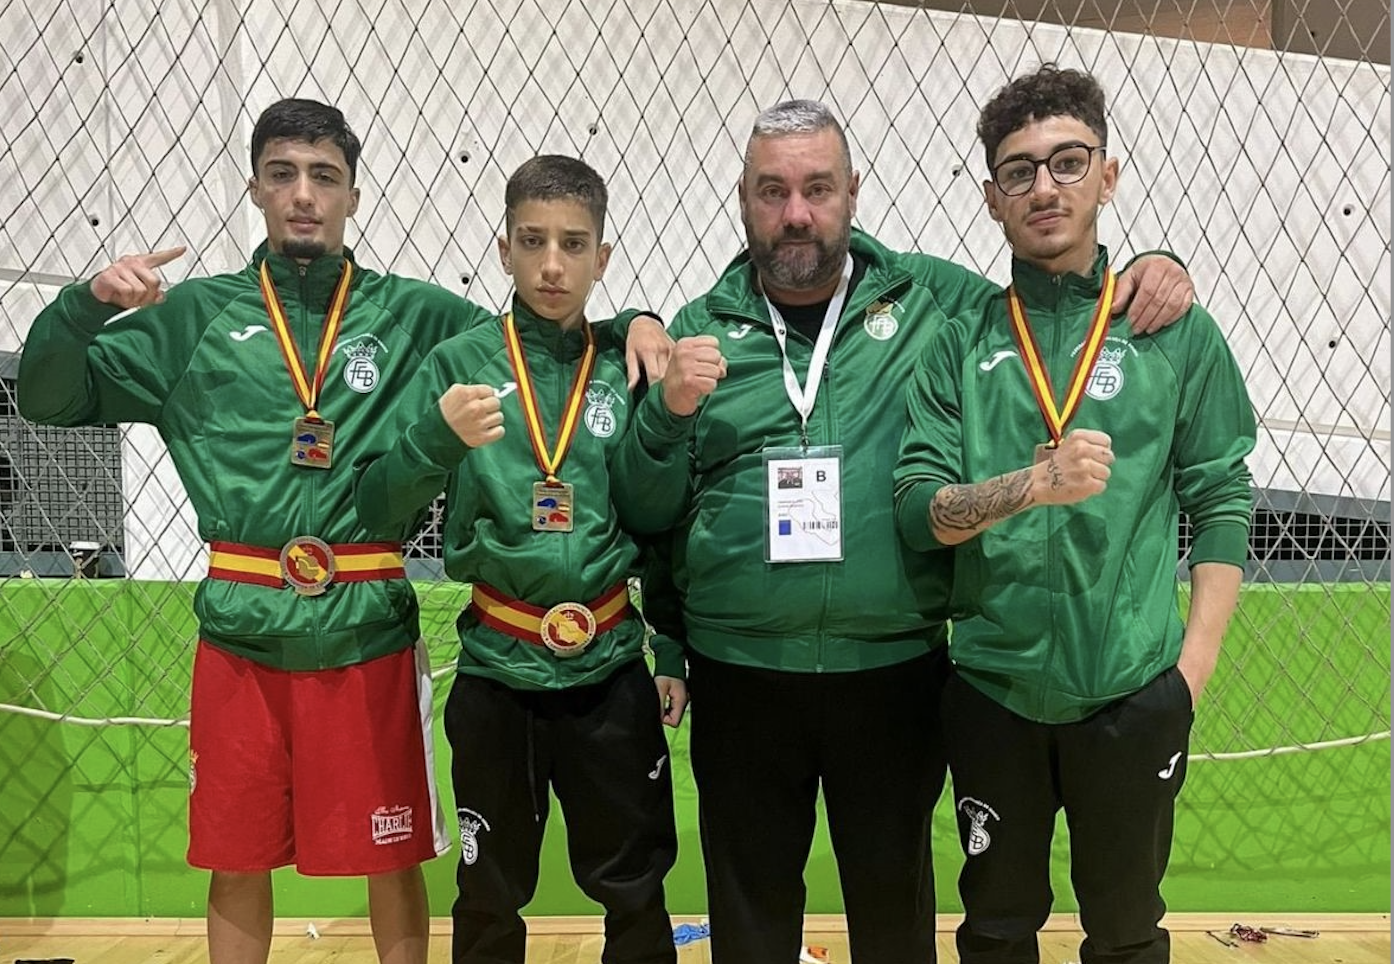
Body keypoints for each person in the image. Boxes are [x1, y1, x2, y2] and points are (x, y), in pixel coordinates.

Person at [16, 100, 670, 964]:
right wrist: (83, 305)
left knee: (391, 854)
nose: (303, 195)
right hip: (242, 632)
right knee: (236, 856)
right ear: (254, 187)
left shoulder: (415, 318)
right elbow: (48, 398)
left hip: (367, 628)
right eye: (283, 173)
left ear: (353, 196)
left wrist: (640, 325)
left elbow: (540, 332)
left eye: (324, 177)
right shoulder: (195, 318)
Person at [627, 99, 1197, 964]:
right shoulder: (698, 329)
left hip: (891, 674)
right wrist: (647, 376)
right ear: (741, 198)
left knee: (896, 925)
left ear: (854, 192)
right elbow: (644, 505)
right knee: (750, 925)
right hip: (740, 674)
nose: (796, 212)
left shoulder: (938, 301)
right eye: (772, 190)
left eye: (818, 188)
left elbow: (1048, 297)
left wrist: (1153, 264)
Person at [892, 64, 1256, 963]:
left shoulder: (1172, 331)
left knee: (1128, 932)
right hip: (991, 695)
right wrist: (1028, 486)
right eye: (1019, 170)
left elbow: (1220, 498)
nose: (1044, 186)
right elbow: (917, 513)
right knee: (997, 930)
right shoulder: (960, 342)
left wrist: (1189, 676)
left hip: (1133, 697)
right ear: (991, 197)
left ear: (1108, 173)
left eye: (1067, 161)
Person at [352, 154, 723, 964]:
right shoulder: (458, 367)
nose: (552, 264)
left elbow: (661, 522)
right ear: (503, 248)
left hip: (611, 668)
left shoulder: (627, 363)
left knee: (633, 885)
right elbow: (376, 511)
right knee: (489, 892)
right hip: (498, 671)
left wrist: (667, 646)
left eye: (573, 243)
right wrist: (429, 441)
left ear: (602, 257)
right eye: (532, 241)